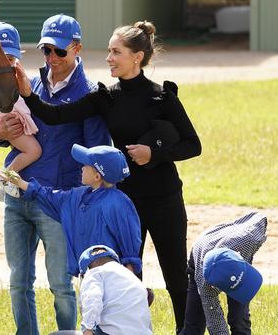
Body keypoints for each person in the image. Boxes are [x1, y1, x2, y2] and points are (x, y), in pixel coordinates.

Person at [16, 20, 202, 332]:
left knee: (175, 278)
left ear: (137, 57)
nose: (109, 58)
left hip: (165, 198)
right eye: (108, 51)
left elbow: (192, 145)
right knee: (127, 278)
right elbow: (56, 116)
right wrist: (29, 96)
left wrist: (153, 154)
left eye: (116, 52)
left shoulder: (162, 97)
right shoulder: (106, 97)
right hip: (125, 201)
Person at [0, 13, 111, 335]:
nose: (52, 58)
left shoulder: (90, 93)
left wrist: (80, 202)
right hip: (17, 197)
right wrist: (1, 133)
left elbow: (98, 154)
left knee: (60, 284)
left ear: (77, 48)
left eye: (59, 51)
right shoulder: (27, 85)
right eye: (46, 50)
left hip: (58, 203)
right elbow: (7, 131)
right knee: (19, 281)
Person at [0, 144, 142, 277]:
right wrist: (19, 182)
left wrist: (129, 283)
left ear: (97, 176)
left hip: (112, 277)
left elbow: (130, 247)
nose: (82, 168)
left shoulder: (118, 203)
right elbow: (48, 196)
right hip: (87, 274)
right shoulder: (78, 196)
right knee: (89, 304)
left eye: (86, 165)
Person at [0, 22, 41, 200]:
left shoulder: (19, 75)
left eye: (11, 59)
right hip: (9, 121)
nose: (7, 64)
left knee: (30, 150)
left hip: (19, 120)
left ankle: (6, 181)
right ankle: (5, 177)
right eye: (2, 58)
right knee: (34, 151)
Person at [179, 212, 267, 335]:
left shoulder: (248, 239)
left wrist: (244, 259)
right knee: (193, 328)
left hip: (234, 249)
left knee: (239, 320)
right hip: (200, 249)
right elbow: (216, 325)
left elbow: (260, 217)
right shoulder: (206, 286)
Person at [78, 245, 153, 335]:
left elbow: (93, 298)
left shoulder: (93, 274)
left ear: (86, 270)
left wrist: (87, 329)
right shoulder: (130, 276)